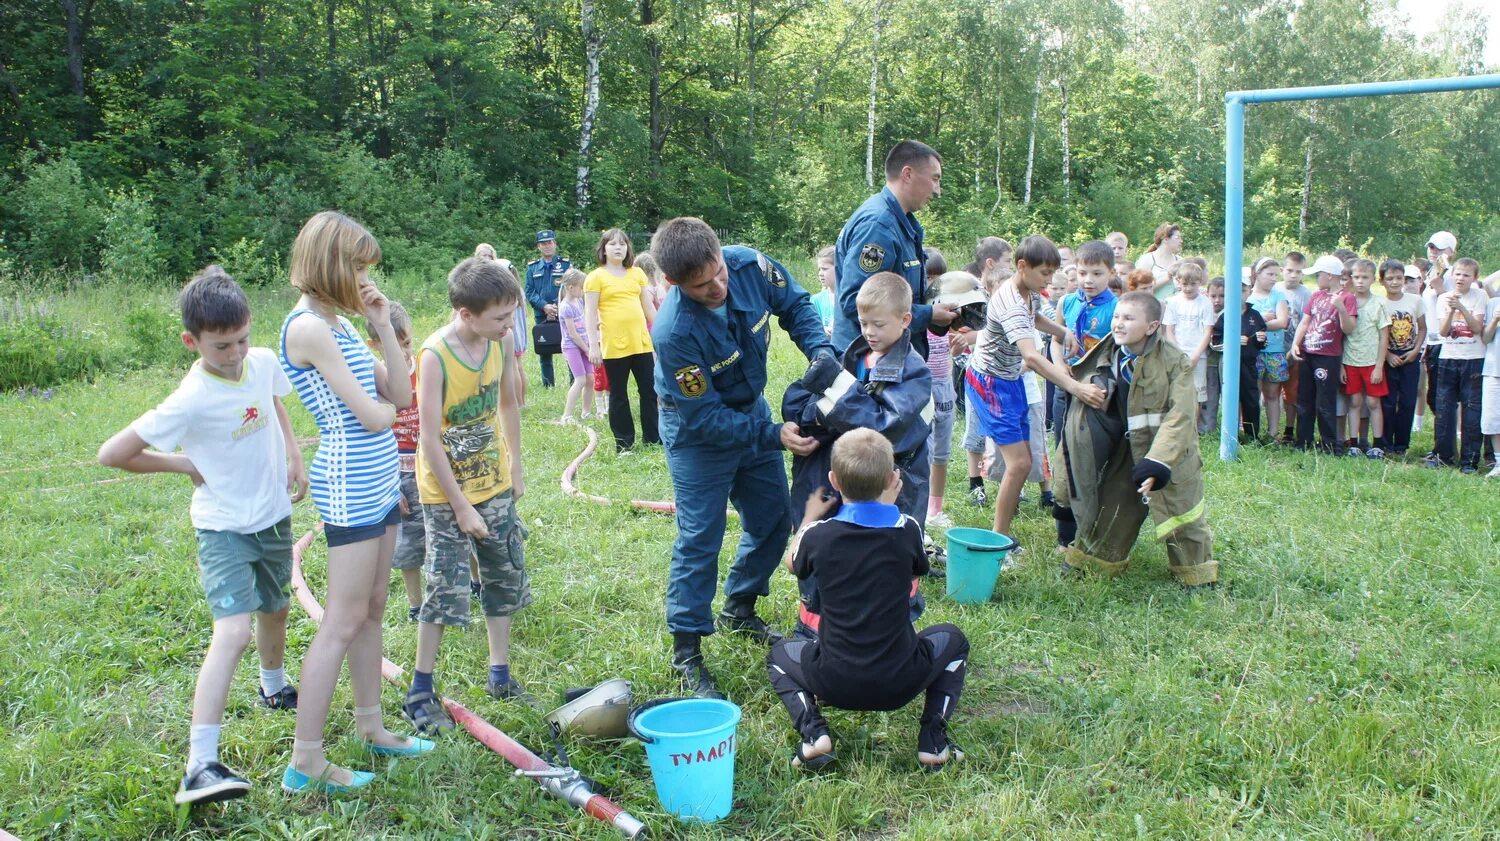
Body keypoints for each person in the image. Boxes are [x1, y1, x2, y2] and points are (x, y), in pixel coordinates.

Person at [97, 267, 307, 806]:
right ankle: (201, 765)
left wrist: (294, 454)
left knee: (277, 608)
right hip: (224, 528)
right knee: (233, 631)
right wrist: (184, 463)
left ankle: (273, 686)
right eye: (221, 346)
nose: (235, 353)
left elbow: (276, 402)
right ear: (191, 341)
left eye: (241, 339)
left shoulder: (260, 362)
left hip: (273, 516)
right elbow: (113, 454)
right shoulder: (190, 398)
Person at [649, 217, 836, 698]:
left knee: (774, 518)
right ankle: (686, 650)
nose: (715, 287)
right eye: (700, 285)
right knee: (700, 536)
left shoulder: (749, 264)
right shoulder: (674, 333)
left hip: (750, 409)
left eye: (718, 275)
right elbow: (703, 418)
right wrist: (773, 435)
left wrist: (818, 351)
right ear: (673, 283)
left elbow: (794, 304)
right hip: (698, 431)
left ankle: (740, 607)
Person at [277, 211, 427, 794]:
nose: (367, 277)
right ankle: (306, 761)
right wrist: (388, 414)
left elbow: (400, 391)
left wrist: (383, 325)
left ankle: (373, 727)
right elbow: (373, 415)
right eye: (359, 265)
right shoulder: (308, 327)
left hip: (380, 475)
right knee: (341, 620)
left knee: (372, 607)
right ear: (331, 264)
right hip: (350, 481)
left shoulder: (338, 324)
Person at [766, 429, 968, 772]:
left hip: (833, 680)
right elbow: (918, 568)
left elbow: (792, 563)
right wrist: (885, 512)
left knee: (778, 655)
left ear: (833, 479)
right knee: (955, 640)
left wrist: (808, 516)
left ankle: (814, 734)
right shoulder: (907, 530)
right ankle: (933, 742)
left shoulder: (818, 536)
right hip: (901, 680)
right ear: (892, 479)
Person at [401, 256, 533, 737]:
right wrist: (458, 505)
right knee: (446, 583)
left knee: (504, 572)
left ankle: (499, 674)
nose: (508, 324)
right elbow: (429, 438)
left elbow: (507, 404)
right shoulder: (435, 356)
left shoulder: (503, 342)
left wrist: (515, 464)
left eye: (511, 314)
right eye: (499, 317)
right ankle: (420, 688)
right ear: (465, 313)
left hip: (493, 482)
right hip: (444, 493)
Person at [781, 272, 933, 638]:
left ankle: (889, 631)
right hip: (842, 477)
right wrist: (806, 415)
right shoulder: (856, 355)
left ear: (905, 320)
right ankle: (814, 630)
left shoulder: (915, 373)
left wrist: (835, 390)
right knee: (831, 553)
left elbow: (885, 430)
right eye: (863, 323)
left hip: (893, 485)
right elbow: (808, 397)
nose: (870, 331)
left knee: (880, 557)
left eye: (879, 324)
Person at [1054, 292, 1218, 590]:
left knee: (1183, 513)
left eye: (1128, 318)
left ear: (1152, 326)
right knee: (1113, 510)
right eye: (1116, 316)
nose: (1118, 324)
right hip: (1127, 451)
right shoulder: (1107, 352)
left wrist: (1159, 461)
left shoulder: (1175, 362)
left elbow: (1180, 416)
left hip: (1171, 455)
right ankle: (1092, 562)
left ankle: (1196, 575)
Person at [965, 236, 1104, 544]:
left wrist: (1061, 330)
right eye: (1044, 273)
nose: (1049, 279)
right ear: (1022, 266)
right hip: (989, 383)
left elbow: (1035, 317)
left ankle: (1001, 533)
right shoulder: (1010, 301)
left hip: (1009, 380)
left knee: (1023, 458)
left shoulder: (1029, 292)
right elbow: (1031, 357)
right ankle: (998, 541)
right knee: (1020, 464)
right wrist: (1075, 387)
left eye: (1053, 272)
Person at [833, 140, 957, 359]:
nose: (938, 190)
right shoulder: (879, 226)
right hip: (869, 365)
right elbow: (855, 301)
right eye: (935, 178)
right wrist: (927, 315)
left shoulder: (901, 223)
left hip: (891, 361)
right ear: (907, 174)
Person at [363, 302, 424, 622]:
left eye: (407, 343)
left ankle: (475, 584)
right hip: (399, 473)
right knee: (409, 542)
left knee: (456, 531)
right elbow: (373, 434)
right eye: (394, 344)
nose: (403, 351)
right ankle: (417, 604)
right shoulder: (375, 379)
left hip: (434, 464)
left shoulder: (427, 366)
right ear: (375, 344)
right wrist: (389, 486)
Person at [585, 228, 660, 453]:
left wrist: (662, 332)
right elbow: (589, 314)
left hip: (641, 343)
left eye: (622, 244)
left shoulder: (636, 274)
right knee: (618, 395)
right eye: (612, 244)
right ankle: (624, 444)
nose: (618, 248)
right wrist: (593, 345)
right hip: (613, 346)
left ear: (628, 248)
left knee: (649, 391)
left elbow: (648, 308)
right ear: (604, 249)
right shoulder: (595, 277)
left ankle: (654, 438)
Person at [1288, 255, 1357, 453]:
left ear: (1329, 275)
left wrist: (1341, 309)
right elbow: (1305, 321)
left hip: (1328, 356)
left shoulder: (1346, 298)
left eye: (1319, 274)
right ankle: (1303, 441)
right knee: (1304, 399)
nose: (1317, 278)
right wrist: (1295, 344)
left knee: (1325, 402)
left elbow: (1349, 328)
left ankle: (1329, 444)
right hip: (1308, 353)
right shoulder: (1317, 295)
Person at [1428, 258, 1489, 472]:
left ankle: (1469, 461)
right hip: (1448, 358)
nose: (1461, 278)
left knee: (1472, 410)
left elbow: (1477, 328)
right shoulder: (1443, 298)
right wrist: (1452, 310)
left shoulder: (1480, 296)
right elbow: (1443, 332)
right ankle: (1444, 456)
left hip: (1473, 359)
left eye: (1466, 275)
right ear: (1451, 275)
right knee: (1444, 408)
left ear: (1474, 278)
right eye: (1458, 274)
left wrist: (1461, 306)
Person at [1057, 241, 1119, 440]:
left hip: (1097, 381)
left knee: (1090, 439)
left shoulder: (1117, 308)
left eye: (1097, 274)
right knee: (1062, 434)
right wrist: (1059, 367)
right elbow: (1056, 340)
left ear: (1111, 272)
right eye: (1083, 273)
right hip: (1065, 378)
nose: (1088, 280)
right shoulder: (1066, 302)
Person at [1341, 259, 1391, 457]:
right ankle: (1353, 443)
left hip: (1371, 363)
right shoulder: (1347, 301)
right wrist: (1340, 366)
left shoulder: (1379, 303)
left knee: (1373, 403)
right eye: (1357, 277)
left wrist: (1379, 366)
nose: (1360, 281)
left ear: (1373, 279)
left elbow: (1384, 335)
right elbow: (1341, 335)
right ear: (1351, 278)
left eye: (1365, 277)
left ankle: (1377, 444)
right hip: (1350, 361)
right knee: (1354, 402)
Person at [1377, 259, 1425, 456]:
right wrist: (1387, 355)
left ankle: (1402, 445)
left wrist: (1415, 351)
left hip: (1410, 357)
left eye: (1399, 278)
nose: (1395, 282)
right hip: (1388, 358)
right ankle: (1386, 443)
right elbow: (1376, 334)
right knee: (1387, 402)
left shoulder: (1415, 301)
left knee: (1407, 401)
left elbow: (1422, 328)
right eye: (1390, 278)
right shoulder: (1379, 303)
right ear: (1382, 281)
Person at [1213, 281, 1268, 441]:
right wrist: (1233, 341)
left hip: (1249, 363)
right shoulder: (1226, 315)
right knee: (1230, 399)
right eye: (1236, 290)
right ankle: (1230, 435)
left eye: (1243, 290)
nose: (1240, 294)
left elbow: (1262, 341)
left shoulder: (1255, 315)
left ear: (1249, 291)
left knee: (1251, 399)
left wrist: (1260, 339)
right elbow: (1215, 341)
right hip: (1230, 364)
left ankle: (1252, 435)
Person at [1162, 262, 1215, 424]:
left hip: (1198, 355)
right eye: (1185, 284)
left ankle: (1193, 428)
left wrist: (1195, 356)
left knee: (1196, 393)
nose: (1189, 288)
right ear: (1178, 281)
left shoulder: (1205, 303)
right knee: (1175, 390)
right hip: (1177, 354)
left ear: (1200, 282)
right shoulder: (1173, 302)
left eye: (1193, 284)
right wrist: (1178, 353)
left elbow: (1207, 332)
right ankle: (1175, 424)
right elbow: (1169, 330)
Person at [1246, 257, 1290, 442]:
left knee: (1273, 393)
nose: (1273, 278)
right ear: (1257, 274)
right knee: (1252, 392)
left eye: (1276, 275)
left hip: (1275, 351)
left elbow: (1282, 321)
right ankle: (1251, 431)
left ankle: (1273, 433)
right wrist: (1262, 319)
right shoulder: (1248, 297)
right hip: (1253, 352)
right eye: (1269, 274)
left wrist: (1256, 322)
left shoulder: (1278, 296)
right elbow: (1244, 324)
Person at [524, 230, 571, 388]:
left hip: (563, 312)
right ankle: (548, 385)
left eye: (550, 242)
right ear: (538, 246)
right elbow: (529, 291)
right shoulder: (532, 268)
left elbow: (571, 287)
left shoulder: (565, 265)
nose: (547, 246)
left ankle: (575, 381)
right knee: (545, 349)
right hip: (541, 314)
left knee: (570, 347)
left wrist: (558, 306)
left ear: (555, 244)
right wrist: (544, 306)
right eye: (543, 243)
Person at [556, 268, 596, 423]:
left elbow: (585, 322)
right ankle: (567, 415)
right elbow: (572, 334)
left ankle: (586, 412)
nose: (583, 290)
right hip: (572, 347)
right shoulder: (565, 307)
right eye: (582, 287)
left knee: (590, 379)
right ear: (571, 287)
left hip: (584, 345)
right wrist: (587, 350)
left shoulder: (579, 301)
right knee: (580, 380)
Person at [1279, 251, 1311, 442]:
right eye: (1290, 270)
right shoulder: (1275, 290)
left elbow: (1306, 323)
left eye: (1298, 272)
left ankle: (1289, 430)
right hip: (1274, 347)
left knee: (1292, 393)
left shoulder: (1306, 294)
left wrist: (1295, 348)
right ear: (1283, 270)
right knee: (1272, 393)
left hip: (1295, 349)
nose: (1293, 275)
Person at [1202, 278, 1226, 434]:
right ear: (1207, 294)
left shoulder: (1231, 313)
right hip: (1209, 359)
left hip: (1225, 360)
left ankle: (1230, 427)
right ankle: (1207, 428)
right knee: (1210, 394)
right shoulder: (1204, 311)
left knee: (1228, 392)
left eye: (1222, 296)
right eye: (1213, 296)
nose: (1217, 300)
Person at [1481, 289, 1500, 477]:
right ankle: (1498, 462)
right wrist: (1494, 320)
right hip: (1494, 369)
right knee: (1492, 418)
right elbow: (1486, 338)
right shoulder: (1494, 302)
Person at [1135, 223, 1183, 299]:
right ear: (1166, 239)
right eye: (1178, 238)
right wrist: (1167, 278)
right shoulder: (1146, 260)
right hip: (1152, 308)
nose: (1181, 241)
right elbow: (1138, 289)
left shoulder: (1180, 261)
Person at [811, 246, 838, 336]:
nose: (820, 274)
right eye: (819, 269)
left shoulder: (849, 298)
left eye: (825, 269)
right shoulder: (816, 300)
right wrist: (823, 330)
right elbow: (811, 328)